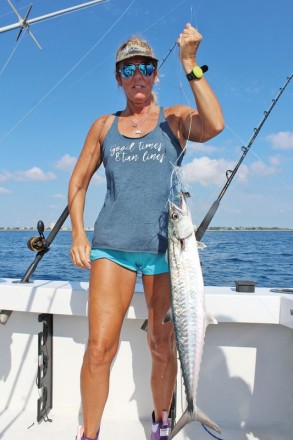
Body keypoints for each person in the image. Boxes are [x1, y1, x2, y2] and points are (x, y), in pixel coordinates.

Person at [68, 23, 224, 440]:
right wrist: (79, 234)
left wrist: (191, 64)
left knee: (162, 345)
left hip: (167, 251)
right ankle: (90, 434)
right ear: (118, 77)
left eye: (146, 66)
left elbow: (215, 124)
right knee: (100, 348)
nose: (138, 74)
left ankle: (161, 428)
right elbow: (79, 182)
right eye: (128, 68)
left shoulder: (174, 119)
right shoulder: (103, 126)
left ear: (157, 73)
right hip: (111, 248)